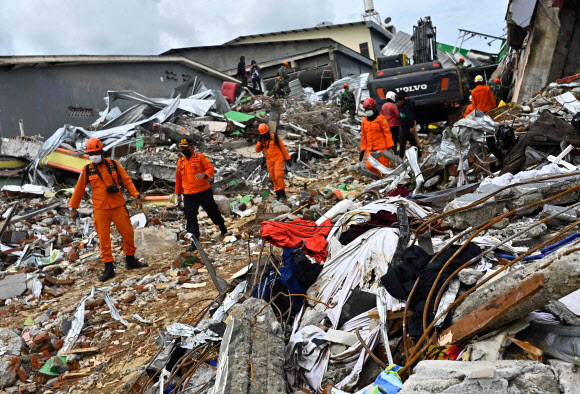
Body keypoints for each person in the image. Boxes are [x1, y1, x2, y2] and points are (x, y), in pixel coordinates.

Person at [69, 137, 147, 282]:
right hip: (100, 209)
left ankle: (130, 260)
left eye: (96, 152)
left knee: (128, 233)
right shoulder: (87, 170)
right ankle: (109, 268)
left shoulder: (114, 165)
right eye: (90, 154)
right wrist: (73, 208)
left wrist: (136, 195)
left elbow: (127, 180)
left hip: (117, 205)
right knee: (104, 239)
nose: (93, 156)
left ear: (102, 151)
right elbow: (79, 189)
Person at [175, 138, 228, 251]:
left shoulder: (201, 157)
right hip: (189, 194)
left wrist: (204, 174)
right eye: (182, 148)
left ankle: (222, 227)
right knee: (191, 217)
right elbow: (178, 179)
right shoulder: (180, 162)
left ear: (192, 147)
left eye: (186, 147)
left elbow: (210, 168)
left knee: (213, 212)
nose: (184, 149)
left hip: (203, 192)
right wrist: (178, 194)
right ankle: (194, 242)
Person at [359, 98, 394, 177]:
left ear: (373, 108)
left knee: (384, 168)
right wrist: (362, 150)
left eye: (369, 109)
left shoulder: (381, 118)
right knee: (369, 166)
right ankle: (380, 178)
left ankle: (386, 184)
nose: (367, 111)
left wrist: (391, 145)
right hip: (370, 149)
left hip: (382, 148)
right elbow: (363, 136)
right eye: (366, 109)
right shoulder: (364, 121)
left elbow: (387, 133)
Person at [256, 123, 291, 201]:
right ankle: (278, 193)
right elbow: (257, 150)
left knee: (278, 175)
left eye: (265, 134)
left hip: (278, 158)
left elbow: (282, 147)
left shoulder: (274, 137)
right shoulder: (262, 140)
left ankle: (282, 194)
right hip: (269, 160)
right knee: (273, 178)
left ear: (267, 131)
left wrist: (287, 158)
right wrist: (259, 141)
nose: (264, 135)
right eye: (263, 134)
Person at [396, 92, 419, 159]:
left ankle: (401, 158)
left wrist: (411, 127)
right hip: (404, 127)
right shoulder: (401, 107)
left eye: (399, 102)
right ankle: (419, 155)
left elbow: (410, 117)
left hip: (407, 128)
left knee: (403, 144)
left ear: (402, 100)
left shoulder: (406, 108)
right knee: (413, 143)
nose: (398, 103)